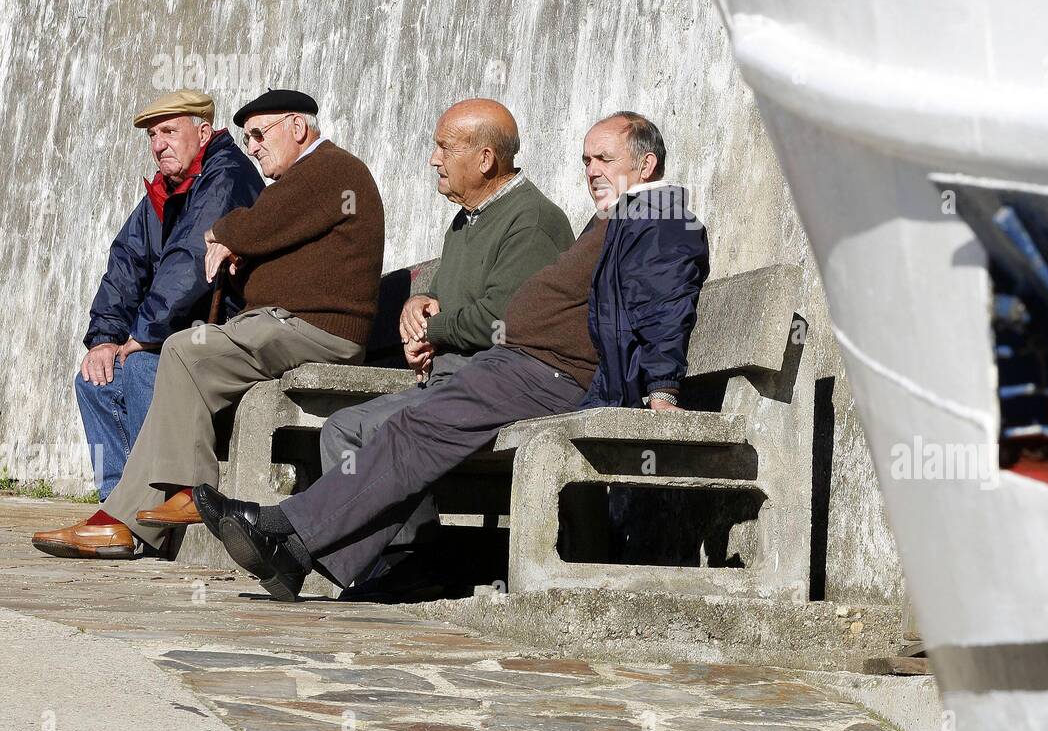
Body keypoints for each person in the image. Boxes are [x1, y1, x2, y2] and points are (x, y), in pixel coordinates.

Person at [194, 111, 709, 601]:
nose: (592, 171)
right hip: (521, 365)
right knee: (403, 428)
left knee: (412, 430)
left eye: (605, 159)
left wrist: (662, 390)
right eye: (586, 160)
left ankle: (285, 529)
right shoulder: (619, 218)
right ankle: (296, 554)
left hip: (551, 375)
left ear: (646, 165)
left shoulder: (658, 216)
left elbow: (665, 302)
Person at [33, 90, 384, 560]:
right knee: (167, 358)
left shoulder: (332, 169)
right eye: (247, 137)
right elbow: (130, 260)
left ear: (297, 128)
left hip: (316, 330)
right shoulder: (296, 181)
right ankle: (122, 517)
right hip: (281, 326)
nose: (253, 146)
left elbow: (256, 223)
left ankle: (190, 491)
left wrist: (224, 235)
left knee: (180, 351)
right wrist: (106, 337)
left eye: (260, 135)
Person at [318, 99, 573, 556]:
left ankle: (396, 559)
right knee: (342, 427)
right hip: (447, 382)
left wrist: (433, 332)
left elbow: (502, 317)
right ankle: (401, 554)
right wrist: (418, 309)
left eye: (444, 148)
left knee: (372, 430)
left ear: (486, 159)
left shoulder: (530, 220)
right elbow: (442, 301)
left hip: (495, 390)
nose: (434, 159)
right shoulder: (465, 219)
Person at [76, 89, 263, 500]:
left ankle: (152, 502)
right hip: (176, 329)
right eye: (151, 135)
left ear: (203, 131)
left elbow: (189, 262)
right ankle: (116, 501)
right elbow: (126, 262)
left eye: (168, 131)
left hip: (226, 329)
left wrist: (144, 335)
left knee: (143, 367)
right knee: (94, 379)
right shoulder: (165, 190)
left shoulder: (225, 175)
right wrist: (105, 339)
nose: (158, 144)